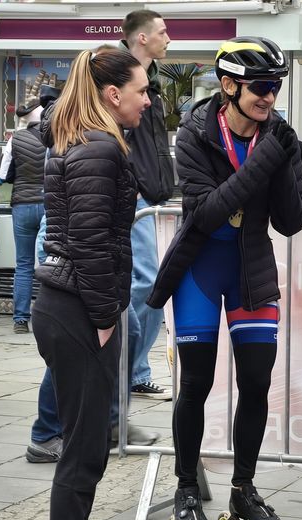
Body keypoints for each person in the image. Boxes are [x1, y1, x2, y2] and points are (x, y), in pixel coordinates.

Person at [146, 36, 302, 520]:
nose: (269, 96)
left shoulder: (280, 137)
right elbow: (207, 212)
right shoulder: (195, 132)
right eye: (261, 86)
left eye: (275, 86)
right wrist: (265, 161)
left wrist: (284, 163)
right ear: (229, 85)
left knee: (256, 382)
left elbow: (292, 221)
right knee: (196, 384)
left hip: (250, 269)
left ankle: (243, 489)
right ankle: (186, 489)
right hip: (201, 268)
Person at [33, 47, 149, 520]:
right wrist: (104, 318)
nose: (148, 101)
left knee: (87, 446)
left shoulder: (84, 140)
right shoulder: (98, 147)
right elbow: (89, 241)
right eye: (142, 91)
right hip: (77, 308)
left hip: (69, 304)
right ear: (112, 93)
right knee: (83, 451)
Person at [120, 9, 176, 401]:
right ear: (142, 37)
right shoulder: (116, 74)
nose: (168, 38)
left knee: (156, 284)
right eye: (162, 31)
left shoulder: (152, 82)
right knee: (147, 281)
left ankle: (134, 369)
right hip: (136, 198)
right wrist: (133, 186)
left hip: (155, 198)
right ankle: (127, 368)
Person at [0, 98, 46, 334]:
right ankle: (48, 317)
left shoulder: (14, 139)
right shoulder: (56, 136)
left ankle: (20, 320)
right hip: (49, 205)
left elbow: (3, 175)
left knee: (24, 265)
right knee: (50, 263)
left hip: (22, 206)